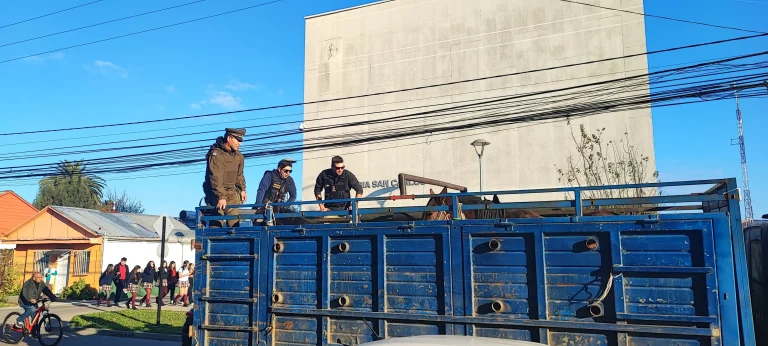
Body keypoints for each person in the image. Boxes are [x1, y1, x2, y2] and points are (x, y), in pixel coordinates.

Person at [203, 128, 247, 228]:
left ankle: (234, 243)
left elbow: (239, 175)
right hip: (216, 193)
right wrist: (221, 197)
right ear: (229, 138)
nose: (240, 144)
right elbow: (215, 177)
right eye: (238, 140)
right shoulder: (216, 154)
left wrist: (242, 189)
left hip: (231, 192)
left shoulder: (239, 157)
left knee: (234, 223)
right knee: (217, 222)